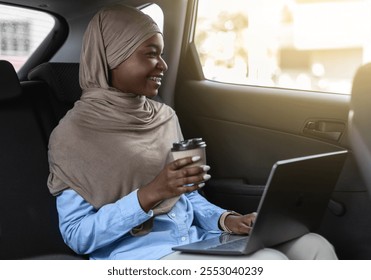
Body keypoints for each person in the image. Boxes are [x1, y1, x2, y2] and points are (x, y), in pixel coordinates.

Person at [47, 4, 337, 260]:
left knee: (313, 247)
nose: (163, 65)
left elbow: (185, 198)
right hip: (141, 256)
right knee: (269, 263)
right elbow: (77, 235)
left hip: (196, 240)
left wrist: (226, 220)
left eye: (161, 54)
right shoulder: (72, 136)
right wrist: (148, 194)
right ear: (112, 57)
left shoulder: (164, 116)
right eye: (150, 54)